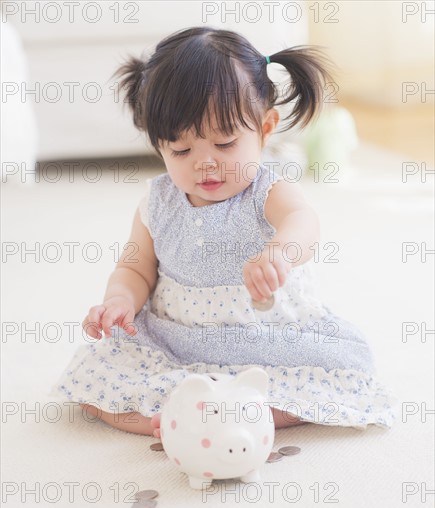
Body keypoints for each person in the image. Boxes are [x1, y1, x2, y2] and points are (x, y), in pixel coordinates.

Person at [51, 26, 396, 437]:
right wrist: (119, 302)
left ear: (265, 129)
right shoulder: (157, 202)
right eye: (180, 150)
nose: (205, 164)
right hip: (177, 341)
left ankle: (256, 414)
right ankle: (177, 418)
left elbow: (304, 222)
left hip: (264, 343)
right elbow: (135, 269)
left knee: (332, 377)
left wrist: (280, 253)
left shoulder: (266, 191)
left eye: (225, 143)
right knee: (94, 384)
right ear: (158, 145)